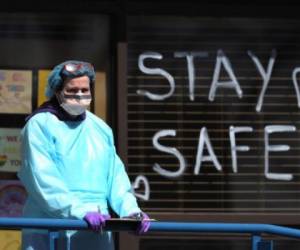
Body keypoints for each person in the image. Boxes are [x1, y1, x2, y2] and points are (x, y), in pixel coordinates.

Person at [18, 60, 150, 250]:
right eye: (72, 90)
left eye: (84, 90)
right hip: (51, 227)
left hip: (97, 226)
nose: (79, 95)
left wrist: (131, 212)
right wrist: (79, 212)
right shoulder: (39, 125)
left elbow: (116, 177)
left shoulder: (100, 128)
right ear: (57, 91)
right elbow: (42, 179)